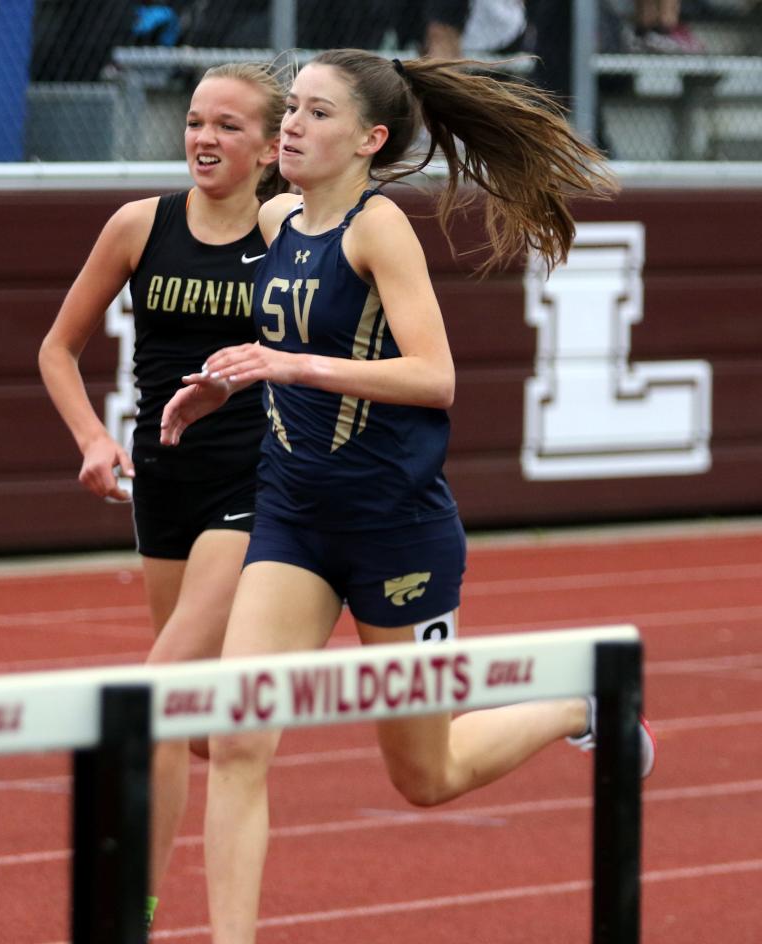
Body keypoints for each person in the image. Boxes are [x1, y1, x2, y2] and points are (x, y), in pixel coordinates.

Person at [160, 48, 657, 943]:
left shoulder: (377, 227)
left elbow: (436, 378)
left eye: (314, 113)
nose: (292, 128)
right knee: (237, 740)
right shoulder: (276, 219)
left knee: (424, 778)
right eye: (291, 112)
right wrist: (226, 383)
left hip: (394, 532)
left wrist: (287, 365)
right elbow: (269, 337)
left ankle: (578, 704)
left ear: (369, 139)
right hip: (294, 521)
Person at [37, 60, 286, 930]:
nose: (204, 139)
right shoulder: (139, 226)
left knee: (160, 692)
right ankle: (165, 886)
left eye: (227, 126)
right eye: (193, 122)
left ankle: (125, 914)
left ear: (268, 147)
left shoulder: (291, 230)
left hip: (256, 481)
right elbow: (57, 349)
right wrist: (93, 438)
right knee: (190, 721)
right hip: (163, 484)